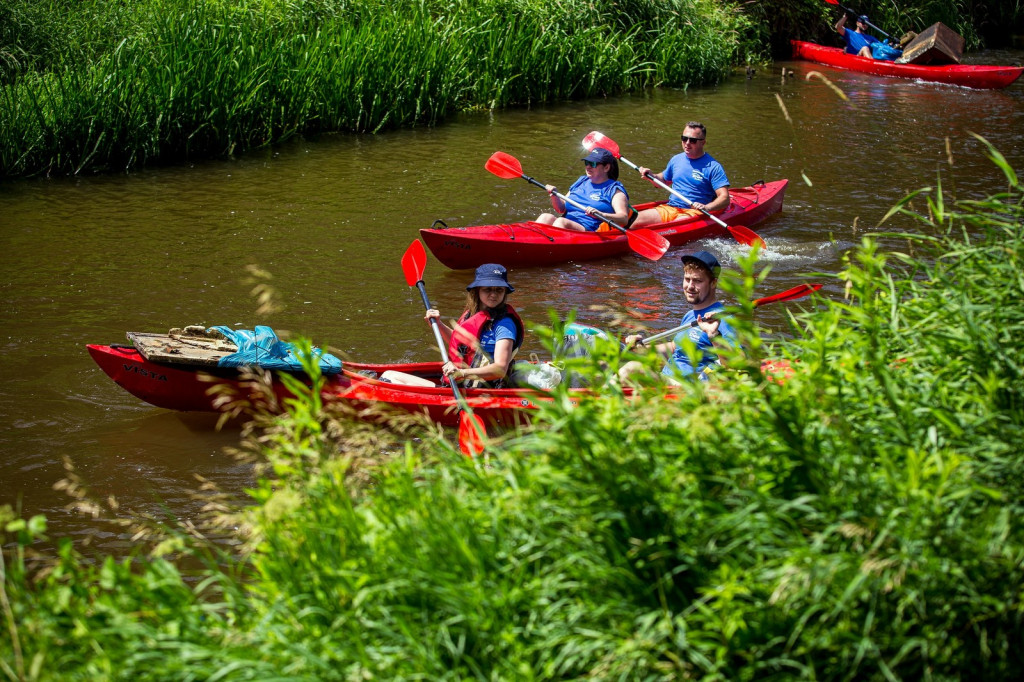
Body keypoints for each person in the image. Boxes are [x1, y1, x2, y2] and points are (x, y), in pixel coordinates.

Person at [383, 263, 525, 388]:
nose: (493, 295)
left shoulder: (504, 325)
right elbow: (462, 345)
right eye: (488, 289)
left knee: (389, 378)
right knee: (388, 375)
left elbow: (500, 369)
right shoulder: (473, 315)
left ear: (505, 292)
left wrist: (462, 373)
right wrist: (439, 324)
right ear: (477, 291)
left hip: (480, 390)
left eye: (499, 290)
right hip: (460, 384)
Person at [618, 250, 737, 384]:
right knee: (603, 363)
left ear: (713, 283)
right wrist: (642, 348)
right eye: (687, 279)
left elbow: (735, 364)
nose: (690, 286)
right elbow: (675, 347)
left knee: (632, 369)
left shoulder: (723, 318)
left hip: (686, 387)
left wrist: (714, 335)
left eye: (697, 281)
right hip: (666, 377)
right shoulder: (690, 315)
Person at [631, 122, 730, 227]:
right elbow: (663, 181)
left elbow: (724, 198)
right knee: (632, 221)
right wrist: (651, 176)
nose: (687, 143)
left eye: (692, 140)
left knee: (673, 226)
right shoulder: (676, 159)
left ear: (703, 143)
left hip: (693, 212)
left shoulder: (713, 167)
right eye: (684, 138)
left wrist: (707, 207)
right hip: (671, 208)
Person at [535, 147, 632, 232]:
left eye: (593, 164)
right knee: (546, 217)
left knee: (561, 221)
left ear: (606, 168)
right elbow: (561, 209)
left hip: (589, 231)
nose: (588, 167)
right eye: (587, 163)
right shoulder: (581, 181)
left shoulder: (614, 190)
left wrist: (601, 214)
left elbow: (624, 218)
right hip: (565, 224)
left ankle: (550, 248)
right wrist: (554, 196)